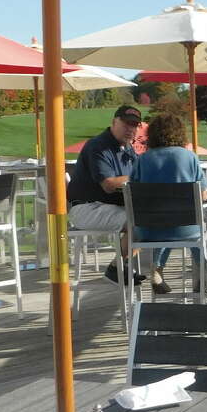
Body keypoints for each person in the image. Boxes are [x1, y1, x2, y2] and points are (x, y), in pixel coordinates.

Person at [127, 112, 207, 295]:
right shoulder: (190, 157)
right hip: (186, 230)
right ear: (180, 134)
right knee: (190, 223)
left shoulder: (143, 160)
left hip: (148, 231)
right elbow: (202, 195)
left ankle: (157, 269)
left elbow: (133, 193)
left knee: (164, 220)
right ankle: (202, 269)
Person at [66, 104, 144, 285]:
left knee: (151, 219)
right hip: (86, 208)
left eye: (134, 125)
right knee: (141, 224)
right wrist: (142, 176)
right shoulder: (98, 146)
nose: (130, 129)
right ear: (113, 122)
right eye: (126, 124)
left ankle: (119, 266)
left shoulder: (128, 149)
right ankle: (116, 268)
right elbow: (108, 184)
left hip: (111, 206)